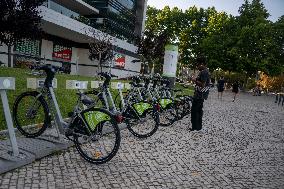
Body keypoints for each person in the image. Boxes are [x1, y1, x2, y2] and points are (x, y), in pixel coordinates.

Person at [189, 56, 210, 132]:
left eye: (198, 64)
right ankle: (198, 127)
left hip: (199, 95)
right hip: (200, 95)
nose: (197, 66)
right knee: (199, 111)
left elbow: (202, 84)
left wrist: (194, 80)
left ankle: (195, 128)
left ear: (202, 64)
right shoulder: (204, 71)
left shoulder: (204, 72)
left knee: (195, 111)